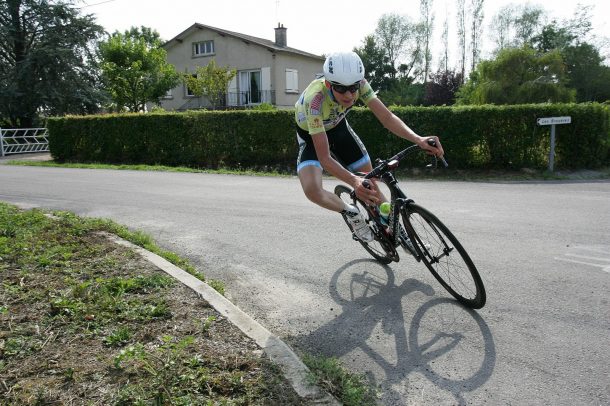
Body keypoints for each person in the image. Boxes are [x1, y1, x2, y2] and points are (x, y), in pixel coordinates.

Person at [294, 51, 444, 242]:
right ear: (329, 84)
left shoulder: (362, 84)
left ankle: (398, 229)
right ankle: (351, 213)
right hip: (310, 135)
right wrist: (353, 181)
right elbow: (324, 159)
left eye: (353, 88)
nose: (349, 95)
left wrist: (418, 139)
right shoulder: (315, 101)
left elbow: (387, 117)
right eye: (341, 89)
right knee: (312, 190)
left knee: (371, 186)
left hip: (339, 130)